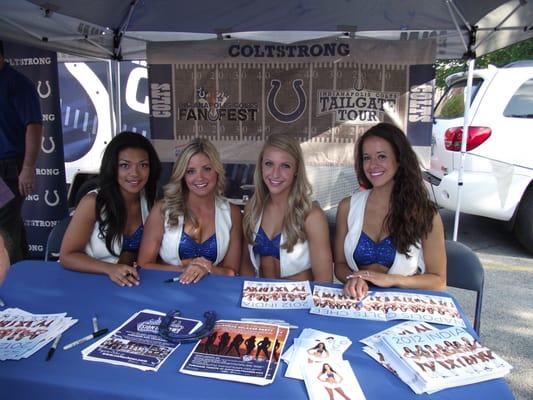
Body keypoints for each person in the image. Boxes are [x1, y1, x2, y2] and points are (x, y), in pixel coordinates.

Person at [335, 123, 446, 299]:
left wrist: (391, 280)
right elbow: (340, 265)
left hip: (405, 306)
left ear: (399, 159)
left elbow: (438, 281)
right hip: (357, 303)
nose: (372, 165)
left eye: (381, 156)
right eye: (366, 158)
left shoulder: (426, 214)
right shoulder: (347, 207)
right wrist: (355, 279)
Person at [59, 132, 161, 287]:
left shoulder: (152, 203)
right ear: (112, 167)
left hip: (130, 284)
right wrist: (110, 269)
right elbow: (67, 256)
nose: (135, 173)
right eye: (125, 165)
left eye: (143, 165)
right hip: (88, 282)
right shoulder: (92, 202)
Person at [137, 138, 241, 284]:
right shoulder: (162, 209)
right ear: (183, 176)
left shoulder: (232, 213)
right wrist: (187, 270)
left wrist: (208, 268)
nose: (200, 177)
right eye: (191, 171)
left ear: (217, 171)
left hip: (214, 294)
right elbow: (144, 265)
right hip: (167, 291)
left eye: (207, 169)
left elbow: (232, 271)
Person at [240, 134, 332, 282]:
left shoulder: (311, 215)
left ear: (296, 170)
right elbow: (246, 264)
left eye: (285, 166)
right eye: (269, 164)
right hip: (261, 299)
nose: (275, 174)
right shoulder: (254, 207)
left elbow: (324, 279)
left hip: (299, 301)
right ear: (261, 166)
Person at [0, 40, 43, 262]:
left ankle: (10, 281)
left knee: (4, 225)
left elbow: (34, 126)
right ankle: (23, 270)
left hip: (9, 166)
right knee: (10, 223)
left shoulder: (17, 83)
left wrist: (27, 168)